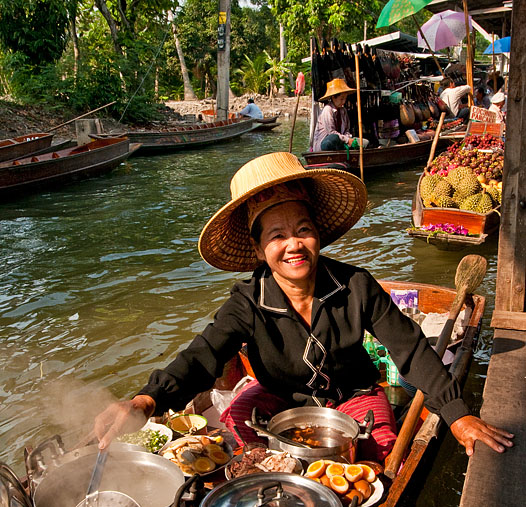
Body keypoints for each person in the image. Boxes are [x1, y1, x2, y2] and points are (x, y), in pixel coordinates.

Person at [94, 152, 514, 461]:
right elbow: (202, 355)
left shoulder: (356, 286)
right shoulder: (247, 302)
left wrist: (457, 414)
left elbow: (411, 349)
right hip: (280, 399)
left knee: (380, 450)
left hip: (353, 396)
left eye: (303, 230)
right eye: (276, 236)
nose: (293, 245)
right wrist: (145, 401)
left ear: (318, 236)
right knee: (239, 432)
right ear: (259, 249)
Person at [312, 78, 369, 152]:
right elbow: (331, 132)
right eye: (341, 99)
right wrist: (347, 140)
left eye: (345, 99)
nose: (344, 101)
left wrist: (349, 139)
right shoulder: (327, 110)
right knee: (333, 138)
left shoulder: (343, 110)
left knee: (365, 143)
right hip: (326, 144)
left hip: (342, 141)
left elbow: (346, 130)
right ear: (333, 98)